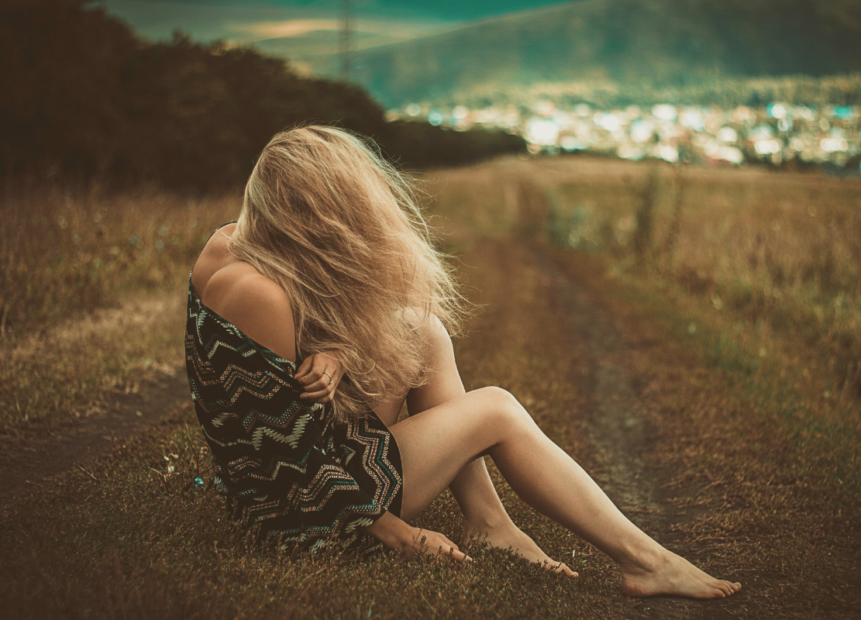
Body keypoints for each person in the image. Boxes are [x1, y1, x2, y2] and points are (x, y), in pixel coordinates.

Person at [184, 125, 742, 599]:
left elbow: (266, 392)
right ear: (314, 217)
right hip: (302, 516)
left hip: (290, 479)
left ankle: (487, 521)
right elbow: (292, 461)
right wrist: (401, 535)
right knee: (496, 409)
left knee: (422, 330)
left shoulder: (229, 243)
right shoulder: (259, 296)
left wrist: (338, 350)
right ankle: (644, 560)